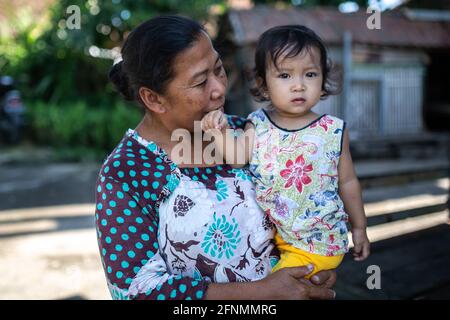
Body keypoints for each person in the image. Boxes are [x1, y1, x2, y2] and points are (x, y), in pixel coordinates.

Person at [95, 15, 337, 300]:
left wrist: (313, 266)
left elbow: (305, 205)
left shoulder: (250, 132)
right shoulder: (127, 172)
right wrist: (261, 294)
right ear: (153, 99)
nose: (219, 88)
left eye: (219, 69)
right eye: (200, 83)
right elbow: (136, 290)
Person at [201, 25, 370, 278]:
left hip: (318, 245)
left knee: (274, 291)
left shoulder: (332, 130)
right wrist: (218, 132)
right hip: (279, 241)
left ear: (323, 78)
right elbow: (237, 160)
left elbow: (348, 181)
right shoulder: (257, 123)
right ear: (263, 83)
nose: (299, 85)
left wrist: (359, 227)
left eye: (310, 74)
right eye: (285, 76)